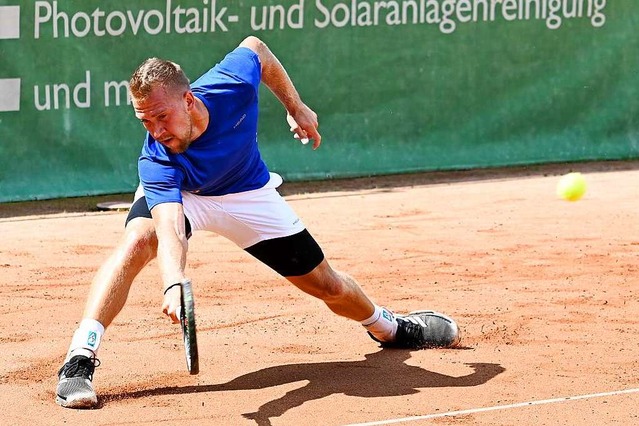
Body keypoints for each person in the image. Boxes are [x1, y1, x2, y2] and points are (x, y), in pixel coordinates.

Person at [55, 35, 461, 409]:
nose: (156, 131)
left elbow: (258, 48)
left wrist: (295, 106)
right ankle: (80, 358)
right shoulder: (156, 158)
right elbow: (169, 224)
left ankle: (390, 328)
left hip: (246, 193)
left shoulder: (231, 84)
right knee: (137, 242)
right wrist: (174, 281)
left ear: (190, 101)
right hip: (187, 196)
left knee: (327, 284)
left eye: (161, 117)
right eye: (145, 121)